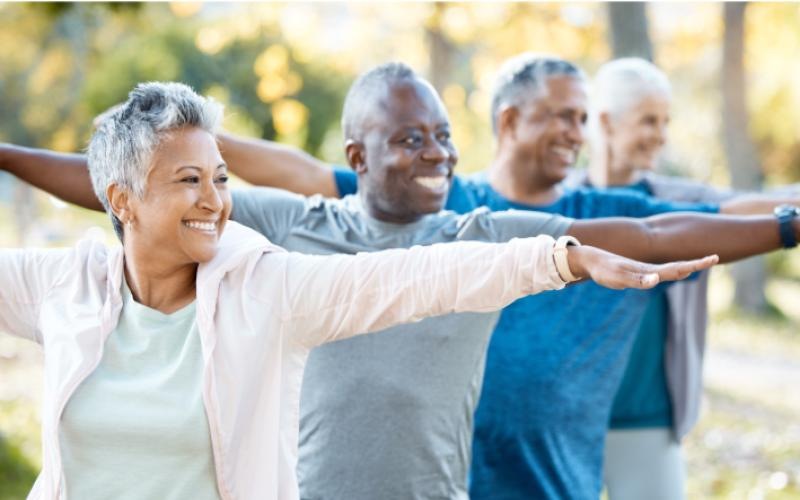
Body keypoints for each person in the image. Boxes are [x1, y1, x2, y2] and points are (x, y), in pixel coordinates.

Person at [0, 65, 796, 500]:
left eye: (444, 137)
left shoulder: (470, 233)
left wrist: (787, 225)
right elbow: (125, 185)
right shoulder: (295, 231)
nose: (435, 154)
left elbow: (440, 274)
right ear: (359, 159)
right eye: (410, 139)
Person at [562, 57, 798, 500]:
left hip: (647, 416)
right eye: (649, 120)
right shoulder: (562, 201)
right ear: (608, 122)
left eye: (666, 121)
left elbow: (751, 204)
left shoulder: (680, 201)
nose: (661, 136)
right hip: (565, 417)